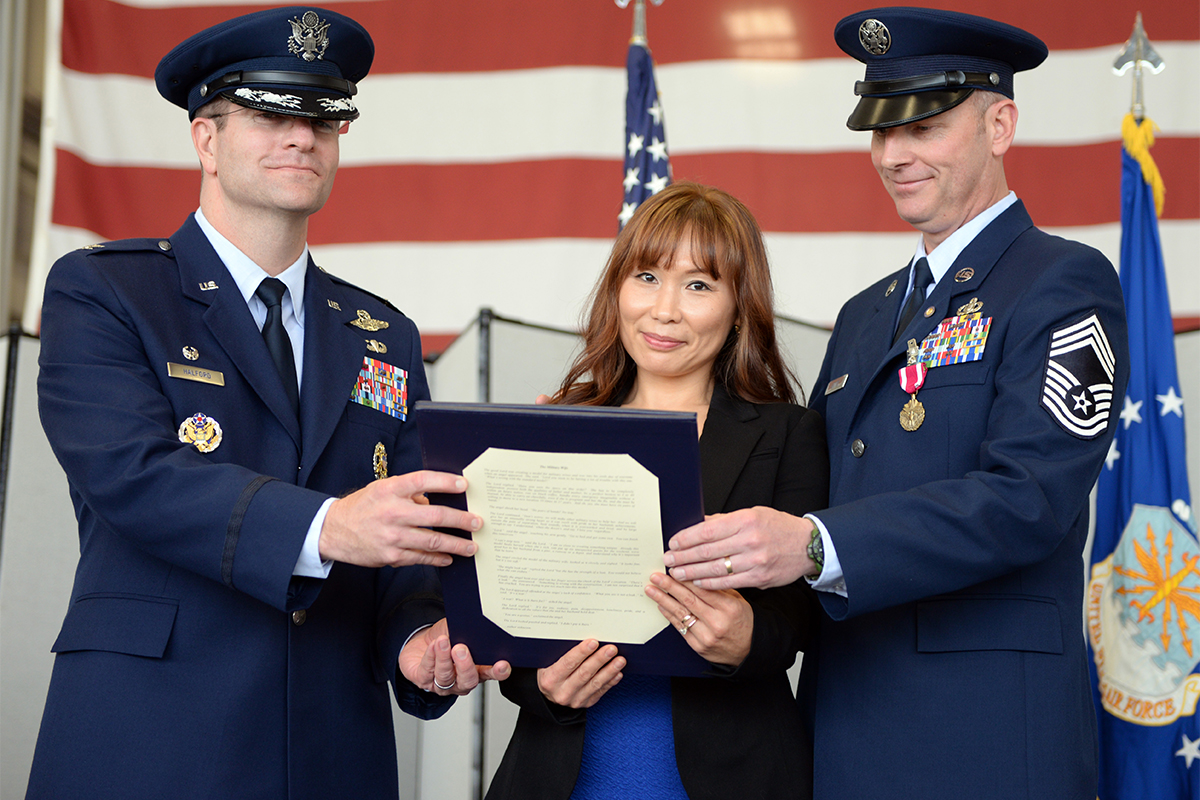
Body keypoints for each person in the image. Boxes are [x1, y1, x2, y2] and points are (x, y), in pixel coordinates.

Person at [26, 8, 507, 800]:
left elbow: (410, 536)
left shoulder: (384, 333)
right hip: (153, 736)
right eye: (268, 113)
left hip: (332, 745)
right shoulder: (106, 291)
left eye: (324, 117)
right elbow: (132, 474)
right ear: (205, 139)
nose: (301, 137)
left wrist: (419, 635)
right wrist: (330, 526)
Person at [662, 9, 1130, 799]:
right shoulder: (864, 315)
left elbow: (1029, 498)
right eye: (882, 131)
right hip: (841, 727)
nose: (896, 155)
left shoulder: (1061, 283)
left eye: (927, 127)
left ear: (1001, 125)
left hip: (983, 737)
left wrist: (813, 546)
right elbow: (795, 488)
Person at [485, 181, 829, 800]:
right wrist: (543, 687)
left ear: (738, 304)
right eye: (646, 276)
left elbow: (807, 616)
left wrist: (746, 634)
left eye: (698, 284)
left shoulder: (791, 433)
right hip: (564, 768)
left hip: (733, 768)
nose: (664, 309)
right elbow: (512, 615)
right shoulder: (556, 424)